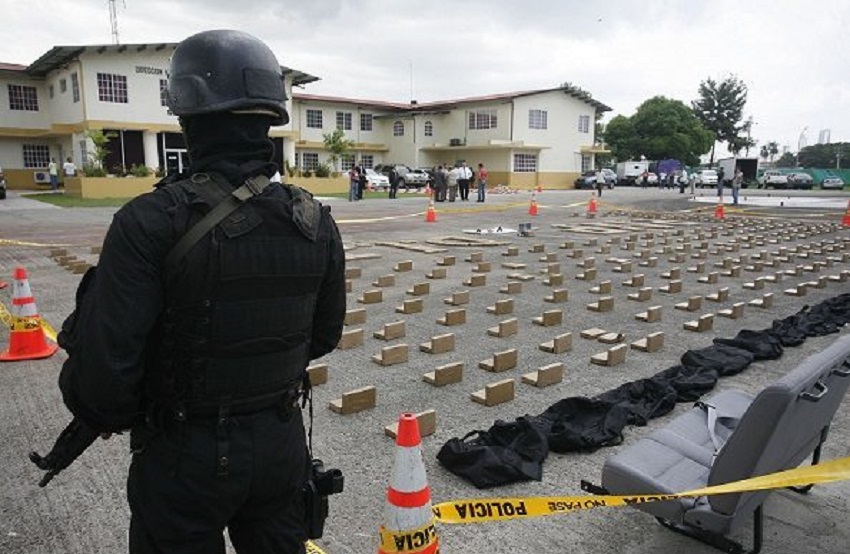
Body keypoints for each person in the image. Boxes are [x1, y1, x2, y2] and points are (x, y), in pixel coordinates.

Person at [57, 30, 346, 554]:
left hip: (185, 455)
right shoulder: (314, 220)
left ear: (187, 118)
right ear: (268, 118)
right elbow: (324, 336)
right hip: (282, 441)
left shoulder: (150, 220)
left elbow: (105, 378)